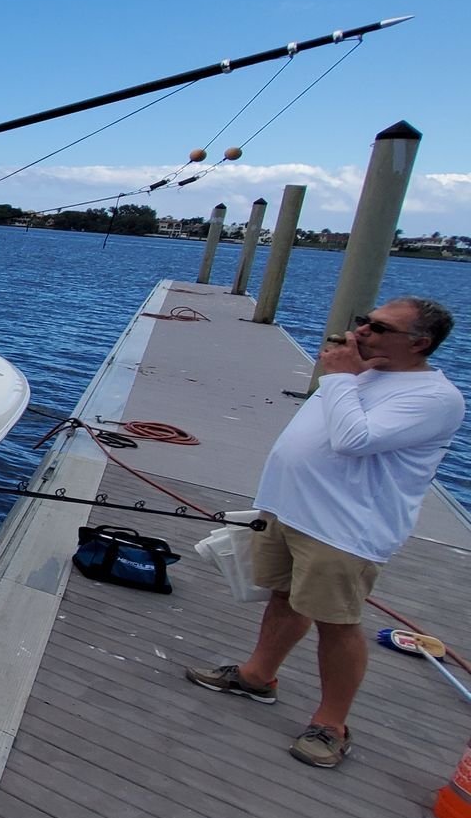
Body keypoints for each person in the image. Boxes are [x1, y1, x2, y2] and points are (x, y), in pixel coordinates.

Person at [186, 296, 463, 768]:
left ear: (419, 343)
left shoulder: (434, 398)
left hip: (344, 529)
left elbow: (355, 439)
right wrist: (345, 377)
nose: (361, 331)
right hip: (290, 510)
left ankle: (331, 724)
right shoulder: (361, 372)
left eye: (378, 327)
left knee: (337, 623)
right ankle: (257, 676)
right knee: (282, 596)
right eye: (363, 319)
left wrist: (338, 378)